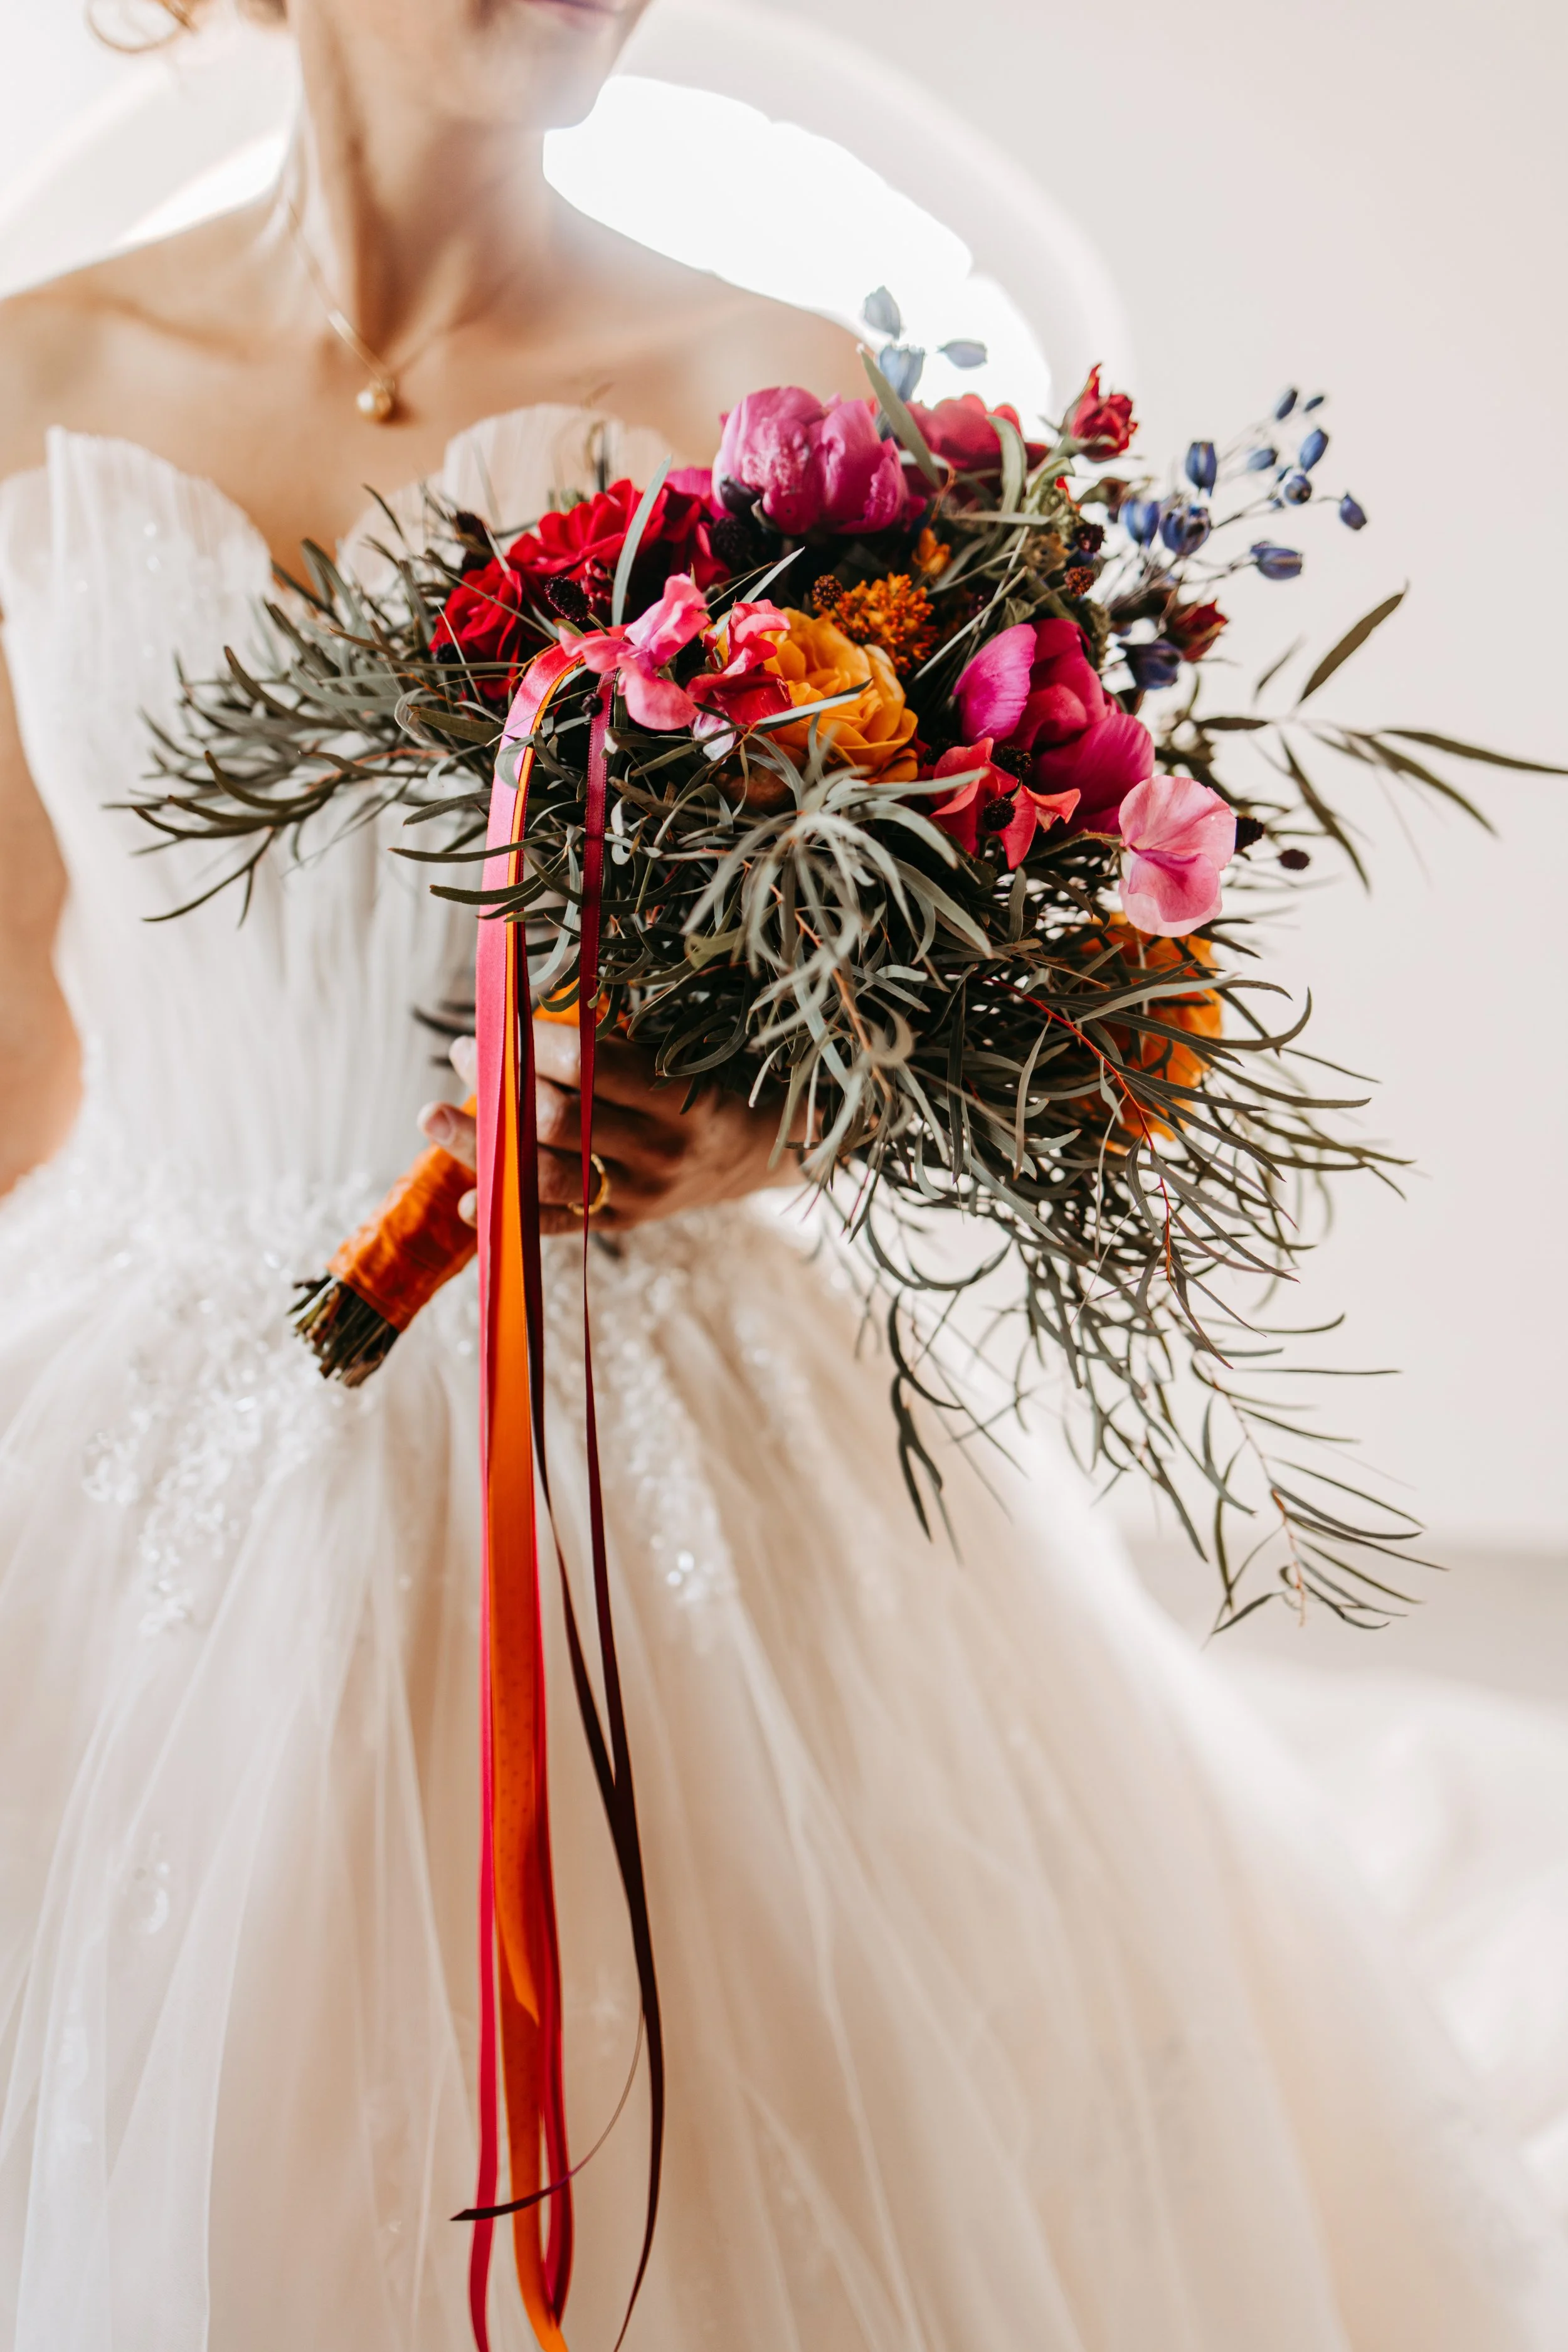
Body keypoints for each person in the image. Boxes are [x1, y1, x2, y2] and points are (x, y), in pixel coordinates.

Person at [1, 3, 1565, 2347]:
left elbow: (950, 981)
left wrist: (759, 1124)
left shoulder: (770, 395)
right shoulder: (26, 374)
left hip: (643, 1408)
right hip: (139, 1378)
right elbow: (17, 1031)